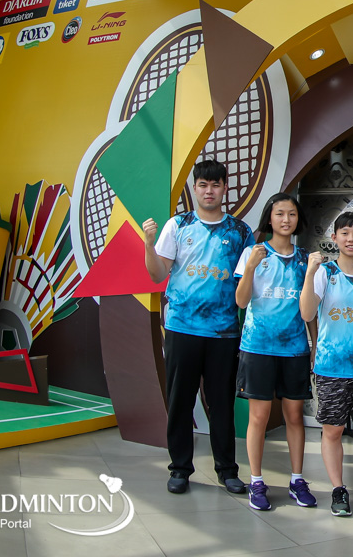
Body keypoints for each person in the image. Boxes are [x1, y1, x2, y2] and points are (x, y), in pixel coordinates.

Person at [142, 159, 253, 496]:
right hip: (181, 328)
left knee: (222, 404)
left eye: (215, 185)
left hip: (224, 332)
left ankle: (227, 470)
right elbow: (157, 275)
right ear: (194, 189)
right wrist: (148, 244)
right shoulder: (178, 225)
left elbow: (246, 285)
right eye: (203, 185)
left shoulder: (240, 232)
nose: (209, 191)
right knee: (180, 402)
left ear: (224, 188)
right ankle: (179, 469)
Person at [233, 192, 319, 511]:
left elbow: (310, 311)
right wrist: (251, 268)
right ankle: (256, 481)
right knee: (259, 416)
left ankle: (297, 480)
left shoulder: (305, 258)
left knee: (294, 416)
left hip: (295, 349)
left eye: (292, 214)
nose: (286, 219)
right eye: (280, 213)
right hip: (257, 347)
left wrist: (314, 345)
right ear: (269, 217)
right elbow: (241, 301)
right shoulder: (253, 253)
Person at [299, 211, 353, 517]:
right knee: (332, 431)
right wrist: (309, 273)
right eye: (345, 233)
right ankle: (338, 489)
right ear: (334, 238)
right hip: (331, 367)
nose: (351, 239)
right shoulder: (325, 273)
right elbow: (307, 313)